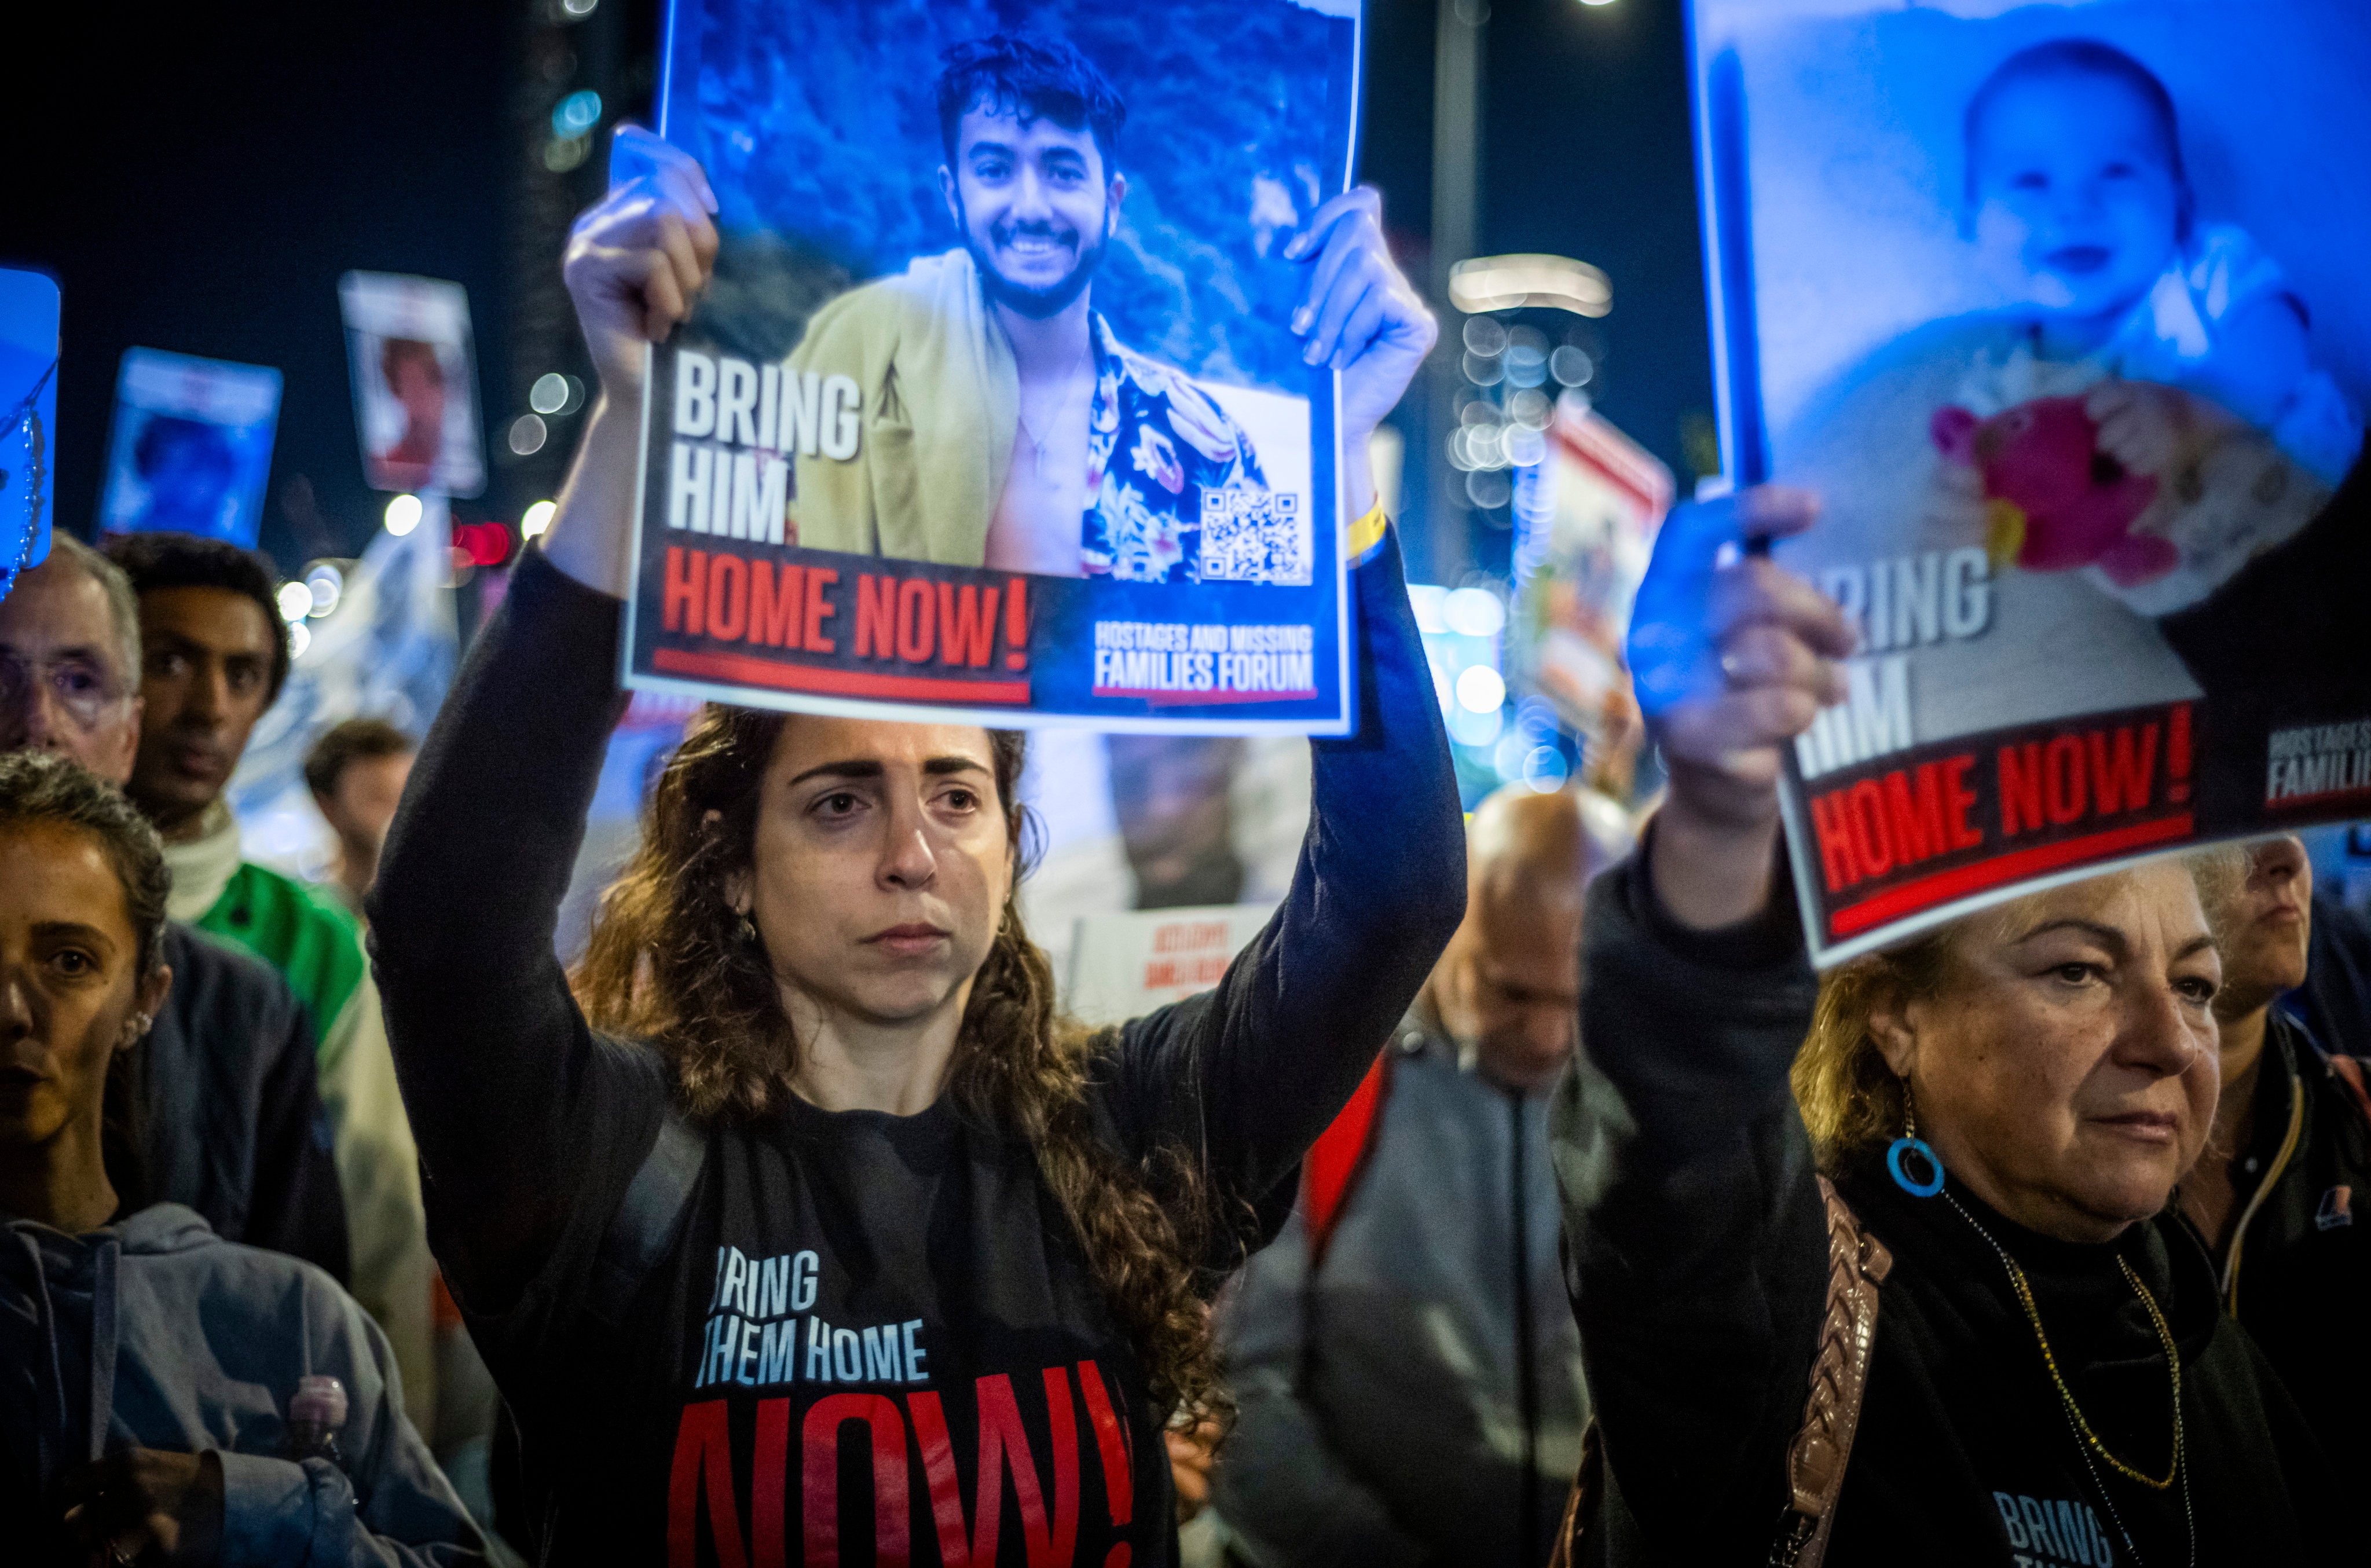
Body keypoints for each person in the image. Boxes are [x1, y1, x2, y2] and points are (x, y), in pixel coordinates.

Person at [366, 130, 1454, 1562]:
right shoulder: (611, 1159)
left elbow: (1392, 893)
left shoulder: (1129, 1133)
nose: (911, 849)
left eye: (957, 793)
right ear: (733, 867)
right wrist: (632, 428)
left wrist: (1343, 477)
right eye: (836, 799)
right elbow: (447, 928)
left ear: (1012, 841)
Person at [1548, 485, 2339, 1563]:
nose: (2167, 1040)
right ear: (1895, 1013)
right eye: (2078, 970)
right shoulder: (1784, 1308)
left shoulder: (2201, 1340)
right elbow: (1673, 1136)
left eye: (2196, 985)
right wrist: (1721, 820)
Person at [0, 749, 485, 1566]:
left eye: (70, 961)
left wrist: (259, 1514)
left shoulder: (287, 1324)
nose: (11, 1009)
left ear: (144, 1002)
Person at [1214, 785, 1626, 1568]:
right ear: (1449, 927)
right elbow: (1241, 1393)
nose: (1545, 1037)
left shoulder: (1647, 1102)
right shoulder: (1329, 1082)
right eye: (1509, 991)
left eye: (1579, 998)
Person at [102, 530, 437, 1437]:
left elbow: (381, 1226)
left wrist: (384, 1461)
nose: (209, 707)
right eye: (171, 660)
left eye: (244, 675)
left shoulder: (310, 943)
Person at [780, 35, 1324, 583]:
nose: (1031, 207)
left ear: (1111, 204)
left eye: (1063, 171)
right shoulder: (858, 383)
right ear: (954, 196)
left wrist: (1345, 446)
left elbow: (1281, 633)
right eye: (994, 169)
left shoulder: (1213, 442)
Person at [0, 534, 349, 1280]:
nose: (37, 720)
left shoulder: (247, 1009)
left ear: (128, 731)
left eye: (79, 680)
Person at [1957, 40, 2358, 490]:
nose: (2074, 207)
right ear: (1971, 228)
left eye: (2116, 172)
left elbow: (2281, 346)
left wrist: (2188, 414)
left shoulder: (2203, 268)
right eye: (2031, 181)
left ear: (2180, 207)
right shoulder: (1995, 379)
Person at [2177, 833, 2371, 1479]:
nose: (2286, 855)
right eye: (2234, 827)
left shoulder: (2358, 1116)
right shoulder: (2043, 1158)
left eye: (2291, 823)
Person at [305, 717, 416, 919]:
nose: (400, 813)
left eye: (408, 795)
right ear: (327, 808)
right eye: (380, 799)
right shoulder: (318, 920)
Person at [375, 338, 447, 493]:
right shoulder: (385, 468)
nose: (422, 397)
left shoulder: (461, 463)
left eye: (429, 381)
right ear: (398, 393)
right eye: (412, 385)